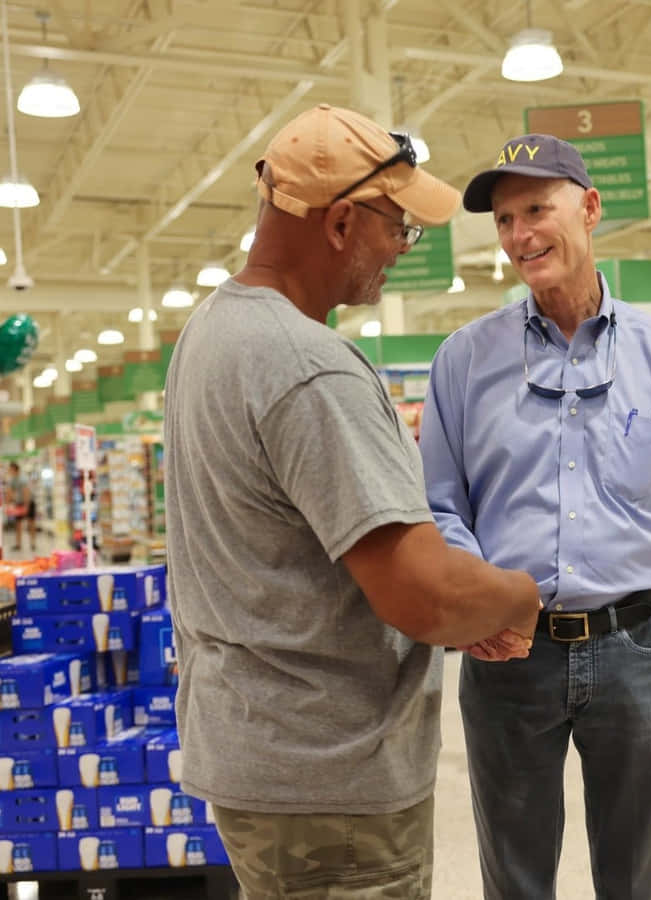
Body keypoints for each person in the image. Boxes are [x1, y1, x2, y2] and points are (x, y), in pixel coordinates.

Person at [163, 104, 541, 900]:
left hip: (259, 760)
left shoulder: (211, 334)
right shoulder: (311, 367)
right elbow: (424, 596)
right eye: (396, 228)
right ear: (339, 223)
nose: (400, 251)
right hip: (333, 786)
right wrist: (516, 595)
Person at [419, 133, 651, 900]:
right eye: (503, 219)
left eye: (536, 209)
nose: (520, 235)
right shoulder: (463, 361)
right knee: (516, 880)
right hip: (507, 658)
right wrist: (479, 600)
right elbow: (438, 507)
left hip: (636, 649)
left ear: (589, 209)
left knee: (633, 881)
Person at [7, 461, 35, 552]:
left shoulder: (23, 478)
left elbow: (26, 492)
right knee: (18, 524)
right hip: (19, 503)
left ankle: (32, 543)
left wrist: (26, 506)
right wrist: (9, 504)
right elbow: (10, 492)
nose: (9, 471)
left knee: (31, 523)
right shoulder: (12, 479)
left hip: (28, 502)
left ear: (15, 469)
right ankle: (18, 544)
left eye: (10, 469)